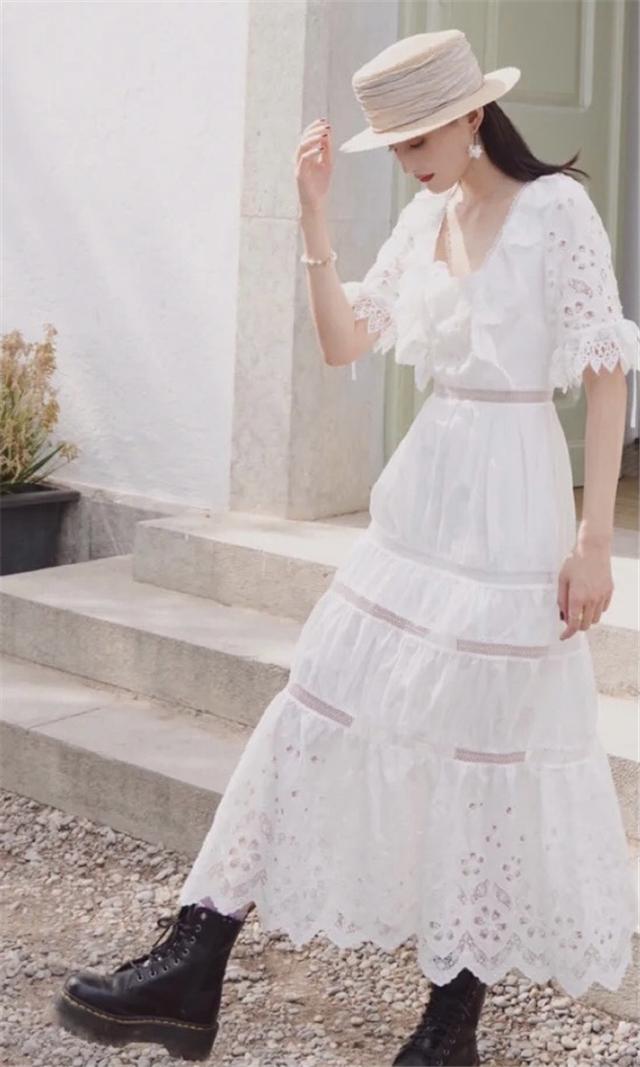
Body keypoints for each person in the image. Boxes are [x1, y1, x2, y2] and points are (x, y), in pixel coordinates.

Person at [54, 29, 639, 1065]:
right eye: (395, 145)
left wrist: (595, 539)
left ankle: (449, 1026)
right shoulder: (424, 217)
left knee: (485, 758)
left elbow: (604, 370)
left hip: (514, 501)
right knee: (311, 706)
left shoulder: (557, 210)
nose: (409, 161)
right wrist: (315, 215)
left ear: (472, 114)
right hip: (421, 499)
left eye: (420, 138)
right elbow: (340, 341)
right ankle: (195, 957)